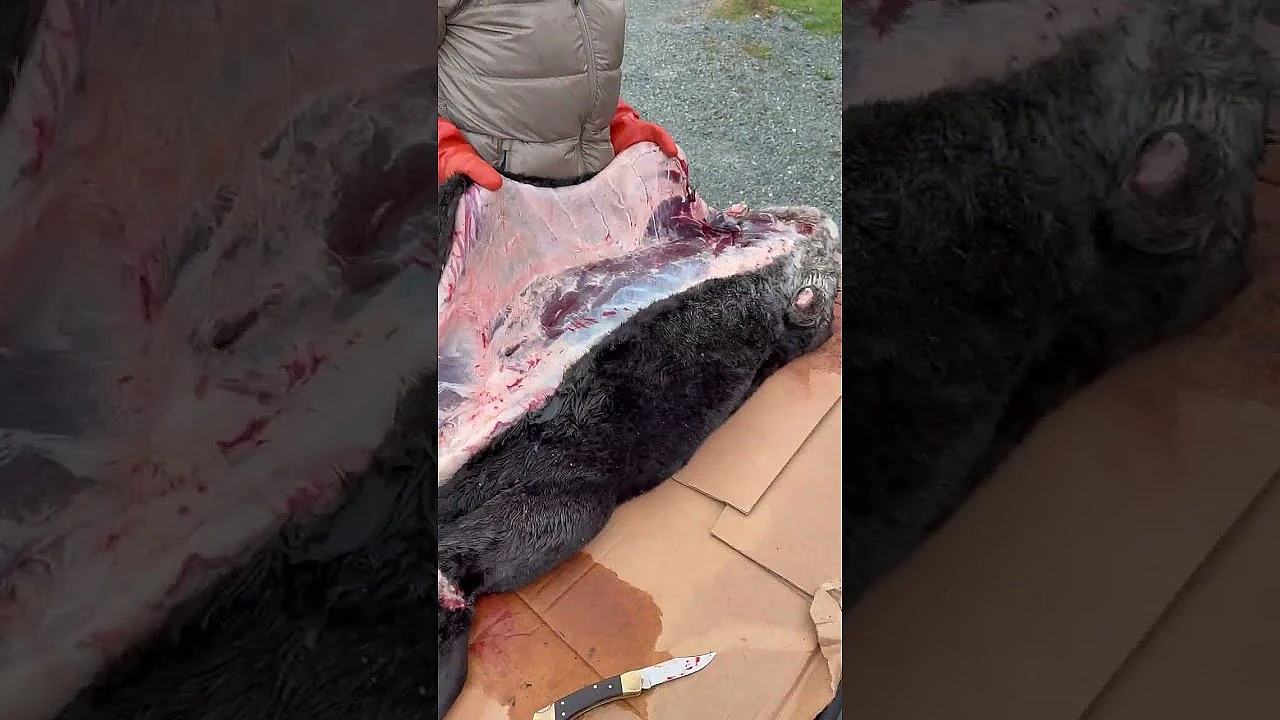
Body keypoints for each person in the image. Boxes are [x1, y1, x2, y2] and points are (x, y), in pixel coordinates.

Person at [437, 0, 680, 190]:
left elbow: (574, 69)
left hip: (588, 196)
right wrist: (442, 149)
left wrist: (615, 123)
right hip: (488, 201)